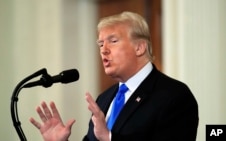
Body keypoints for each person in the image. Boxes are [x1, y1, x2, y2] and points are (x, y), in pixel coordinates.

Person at [30, 11, 199, 141]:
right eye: (101, 43)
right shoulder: (104, 99)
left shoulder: (174, 96)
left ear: (140, 47)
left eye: (113, 41)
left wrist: (109, 138)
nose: (104, 49)